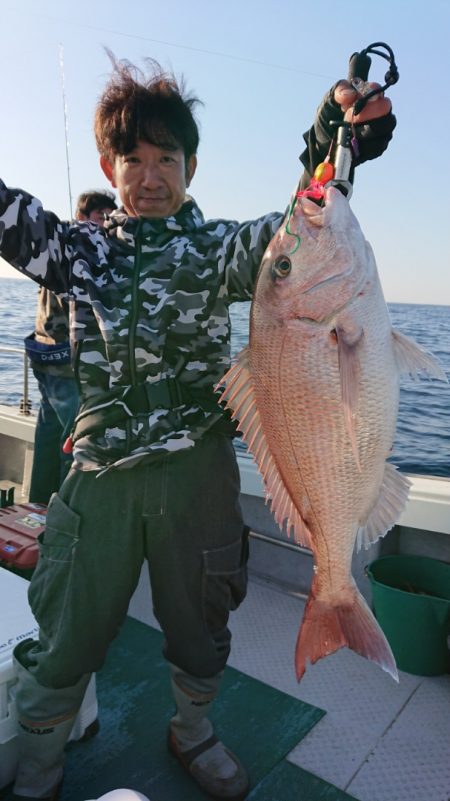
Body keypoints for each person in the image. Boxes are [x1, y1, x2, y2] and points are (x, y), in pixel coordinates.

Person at [0, 55, 396, 801]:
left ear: (191, 166)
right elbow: (9, 218)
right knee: (69, 625)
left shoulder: (219, 249)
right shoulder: (77, 251)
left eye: (167, 159)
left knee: (200, 620)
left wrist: (334, 141)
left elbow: (301, 232)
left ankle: (194, 730)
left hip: (198, 474)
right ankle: (42, 759)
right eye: (133, 160)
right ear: (109, 168)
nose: (150, 176)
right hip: (101, 477)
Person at [25, 190, 117, 504]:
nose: (107, 223)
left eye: (110, 216)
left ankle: (38, 505)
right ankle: (65, 511)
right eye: (101, 215)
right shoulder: (79, 252)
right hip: (65, 366)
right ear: (82, 217)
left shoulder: (52, 249)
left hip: (45, 360)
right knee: (73, 443)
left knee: (48, 434)